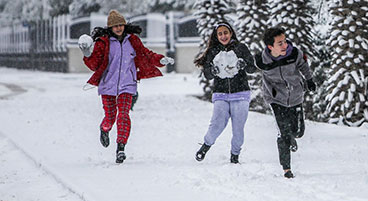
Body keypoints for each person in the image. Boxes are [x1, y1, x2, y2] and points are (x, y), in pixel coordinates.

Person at [79, 10, 173, 164]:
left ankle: (121, 147)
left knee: (123, 115)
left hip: (127, 83)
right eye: (115, 26)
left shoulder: (133, 40)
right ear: (110, 27)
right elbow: (94, 65)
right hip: (108, 84)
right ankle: (104, 128)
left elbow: (146, 54)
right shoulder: (103, 42)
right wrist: (86, 54)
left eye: (120, 25)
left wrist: (160, 60)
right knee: (110, 117)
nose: (118, 28)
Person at [255, 26, 316, 178]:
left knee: (298, 132)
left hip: (295, 96)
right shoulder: (262, 60)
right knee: (283, 133)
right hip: (276, 98)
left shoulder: (294, 53)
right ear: (270, 47)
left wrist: (309, 80)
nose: (285, 45)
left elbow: (303, 65)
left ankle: (292, 137)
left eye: (284, 41)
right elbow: (250, 66)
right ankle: (286, 168)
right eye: (280, 43)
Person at [193, 22, 256, 164]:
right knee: (217, 124)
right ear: (216, 36)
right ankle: (205, 146)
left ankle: (235, 155)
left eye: (225, 33)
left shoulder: (241, 48)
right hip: (221, 93)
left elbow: (252, 68)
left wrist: (243, 64)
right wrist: (212, 71)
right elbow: (207, 74)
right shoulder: (213, 51)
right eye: (220, 34)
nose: (223, 36)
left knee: (238, 129)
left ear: (231, 33)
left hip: (240, 93)